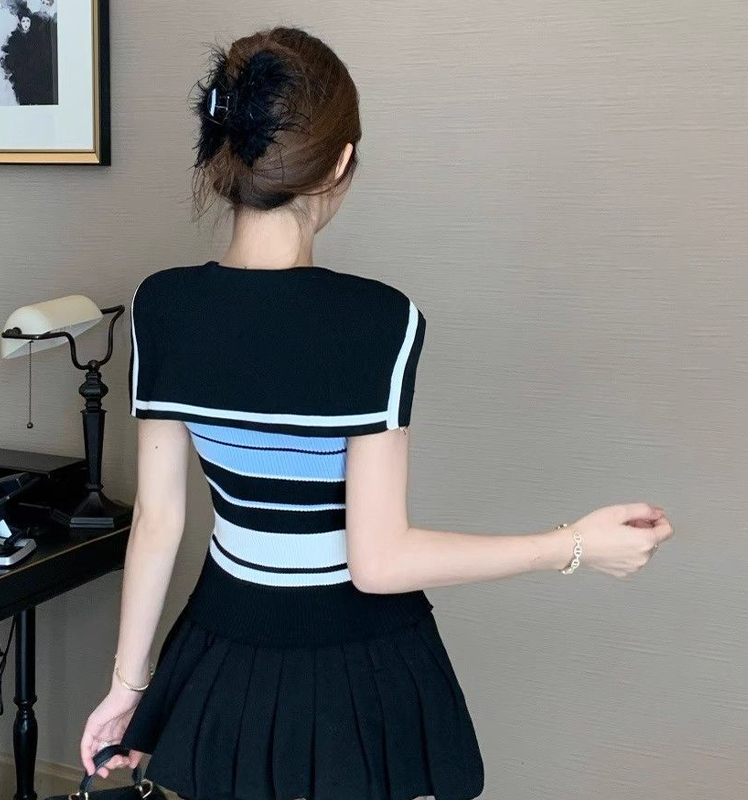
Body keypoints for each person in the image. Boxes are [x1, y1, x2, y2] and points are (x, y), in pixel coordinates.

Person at [79, 25, 674, 800]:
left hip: (222, 647)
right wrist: (573, 546)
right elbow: (379, 560)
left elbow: (159, 521)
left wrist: (128, 686)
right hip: (354, 664)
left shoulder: (163, 306)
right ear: (340, 161)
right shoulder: (378, 322)